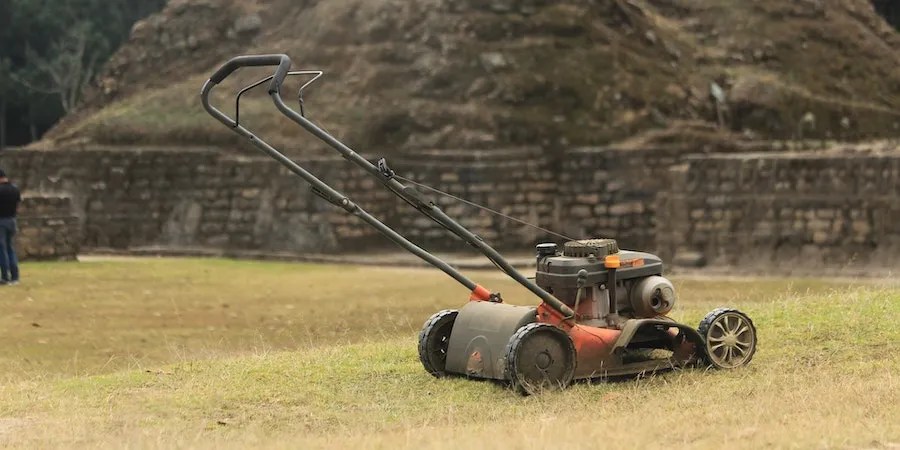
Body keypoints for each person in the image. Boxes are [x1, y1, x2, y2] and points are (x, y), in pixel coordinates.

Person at [0, 168, 21, 285]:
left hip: (1, 221)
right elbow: (18, 206)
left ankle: (4, 276)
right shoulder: (15, 189)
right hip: (12, 220)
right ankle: (15, 276)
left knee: (1, 250)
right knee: (10, 248)